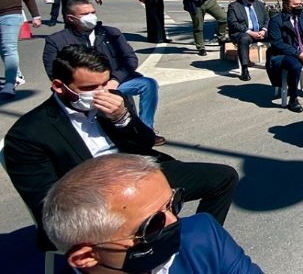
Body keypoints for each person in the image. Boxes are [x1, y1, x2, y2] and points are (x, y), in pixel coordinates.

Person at [4, 45, 238, 252]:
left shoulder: (114, 99)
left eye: (105, 83)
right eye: (90, 87)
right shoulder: (28, 134)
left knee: (223, 177)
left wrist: (122, 118)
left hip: (140, 175)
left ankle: (197, 245)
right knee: (148, 220)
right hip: (96, 201)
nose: (101, 92)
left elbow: (146, 142)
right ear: (59, 86)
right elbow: (47, 205)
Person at [42, 154, 263, 274]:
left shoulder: (203, 236)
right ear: (86, 257)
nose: (175, 221)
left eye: (173, 204)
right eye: (152, 224)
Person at [42, 0, 164, 141]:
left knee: (148, 84)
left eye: (93, 12)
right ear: (71, 18)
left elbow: (130, 59)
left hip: (114, 82)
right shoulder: (56, 40)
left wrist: (115, 80)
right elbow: (53, 71)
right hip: (83, 89)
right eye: (85, 14)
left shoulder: (111, 33)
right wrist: (87, 87)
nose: (91, 16)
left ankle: (144, 130)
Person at [0, 0, 41, 99]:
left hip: (10, 14)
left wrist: (35, 16)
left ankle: (9, 84)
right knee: (2, 49)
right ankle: (17, 75)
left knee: (8, 48)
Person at [226, 0, 270, 81]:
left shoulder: (259, 4)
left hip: (260, 31)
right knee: (244, 39)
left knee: (277, 34)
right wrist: (250, 32)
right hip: (244, 33)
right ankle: (245, 69)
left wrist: (263, 30)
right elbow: (233, 24)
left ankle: (272, 62)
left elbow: (267, 19)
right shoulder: (234, 6)